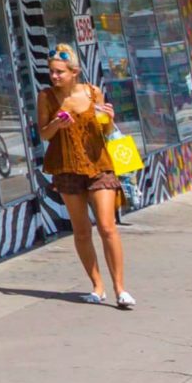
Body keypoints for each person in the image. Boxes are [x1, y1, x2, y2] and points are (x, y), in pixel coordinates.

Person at [39, 44, 132, 309]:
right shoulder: (46, 97)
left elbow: (105, 129)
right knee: (81, 231)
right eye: (52, 72)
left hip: (99, 166)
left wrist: (111, 120)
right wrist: (58, 123)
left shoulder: (93, 92)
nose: (54, 77)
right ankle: (97, 286)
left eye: (59, 72)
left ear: (74, 72)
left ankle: (120, 289)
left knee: (106, 226)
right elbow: (44, 134)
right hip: (67, 168)